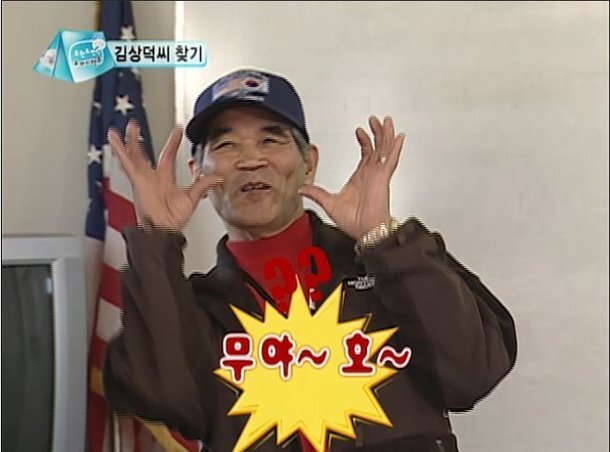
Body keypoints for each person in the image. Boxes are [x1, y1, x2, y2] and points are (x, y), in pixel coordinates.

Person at [103, 68, 517, 452]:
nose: (251, 159)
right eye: (226, 145)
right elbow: (164, 398)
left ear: (309, 164)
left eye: (271, 140)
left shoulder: (393, 260)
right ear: (196, 172)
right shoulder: (194, 305)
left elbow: (472, 374)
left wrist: (382, 240)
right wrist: (155, 242)